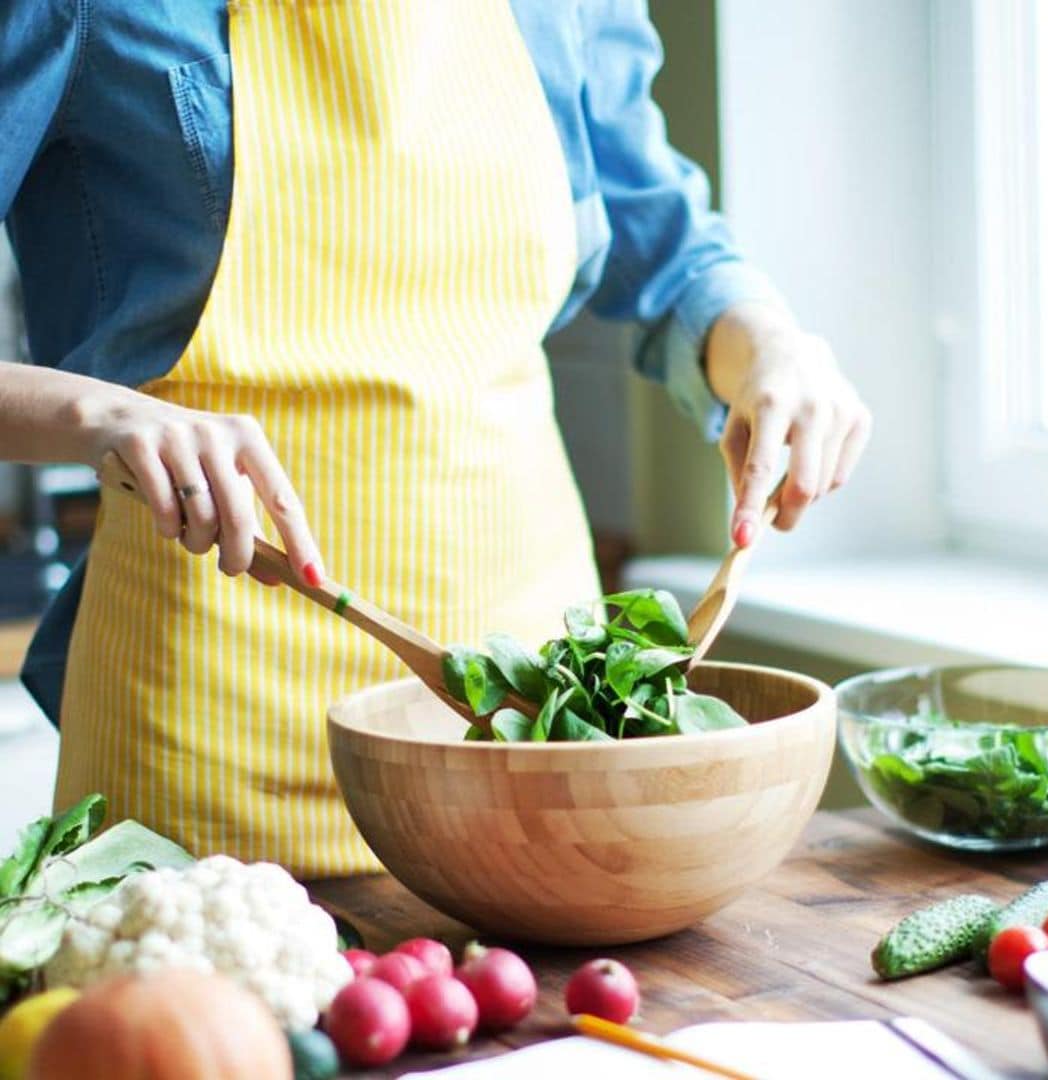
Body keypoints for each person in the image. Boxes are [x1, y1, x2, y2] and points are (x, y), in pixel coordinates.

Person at [0, 1, 869, 876]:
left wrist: (769, 343)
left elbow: (669, 248)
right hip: (209, 720)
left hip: (535, 715)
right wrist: (100, 416)